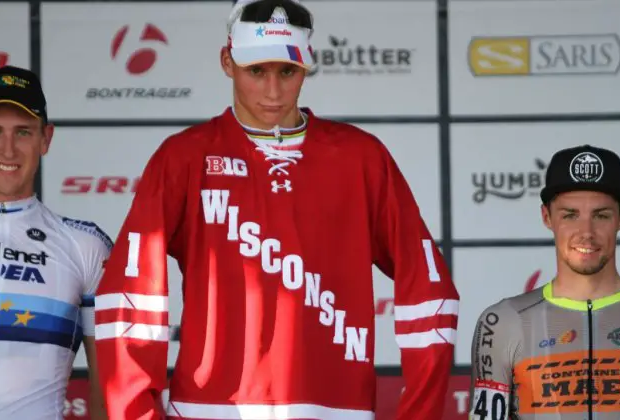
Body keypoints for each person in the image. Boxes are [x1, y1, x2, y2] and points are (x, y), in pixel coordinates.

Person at [93, 0, 460, 419]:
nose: (272, 90)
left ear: (307, 66)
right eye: (257, 70)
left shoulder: (361, 157)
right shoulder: (184, 157)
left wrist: (421, 413)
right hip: (206, 410)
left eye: (287, 72)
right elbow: (130, 294)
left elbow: (430, 288)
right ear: (227, 61)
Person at [468, 144, 620, 420]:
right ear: (547, 217)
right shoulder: (502, 322)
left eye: (601, 215)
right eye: (570, 215)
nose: (586, 232)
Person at [0, 65, 109, 420]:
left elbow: (108, 385)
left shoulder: (85, 245)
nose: (8, 148)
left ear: (46, 138)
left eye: (23, 132)